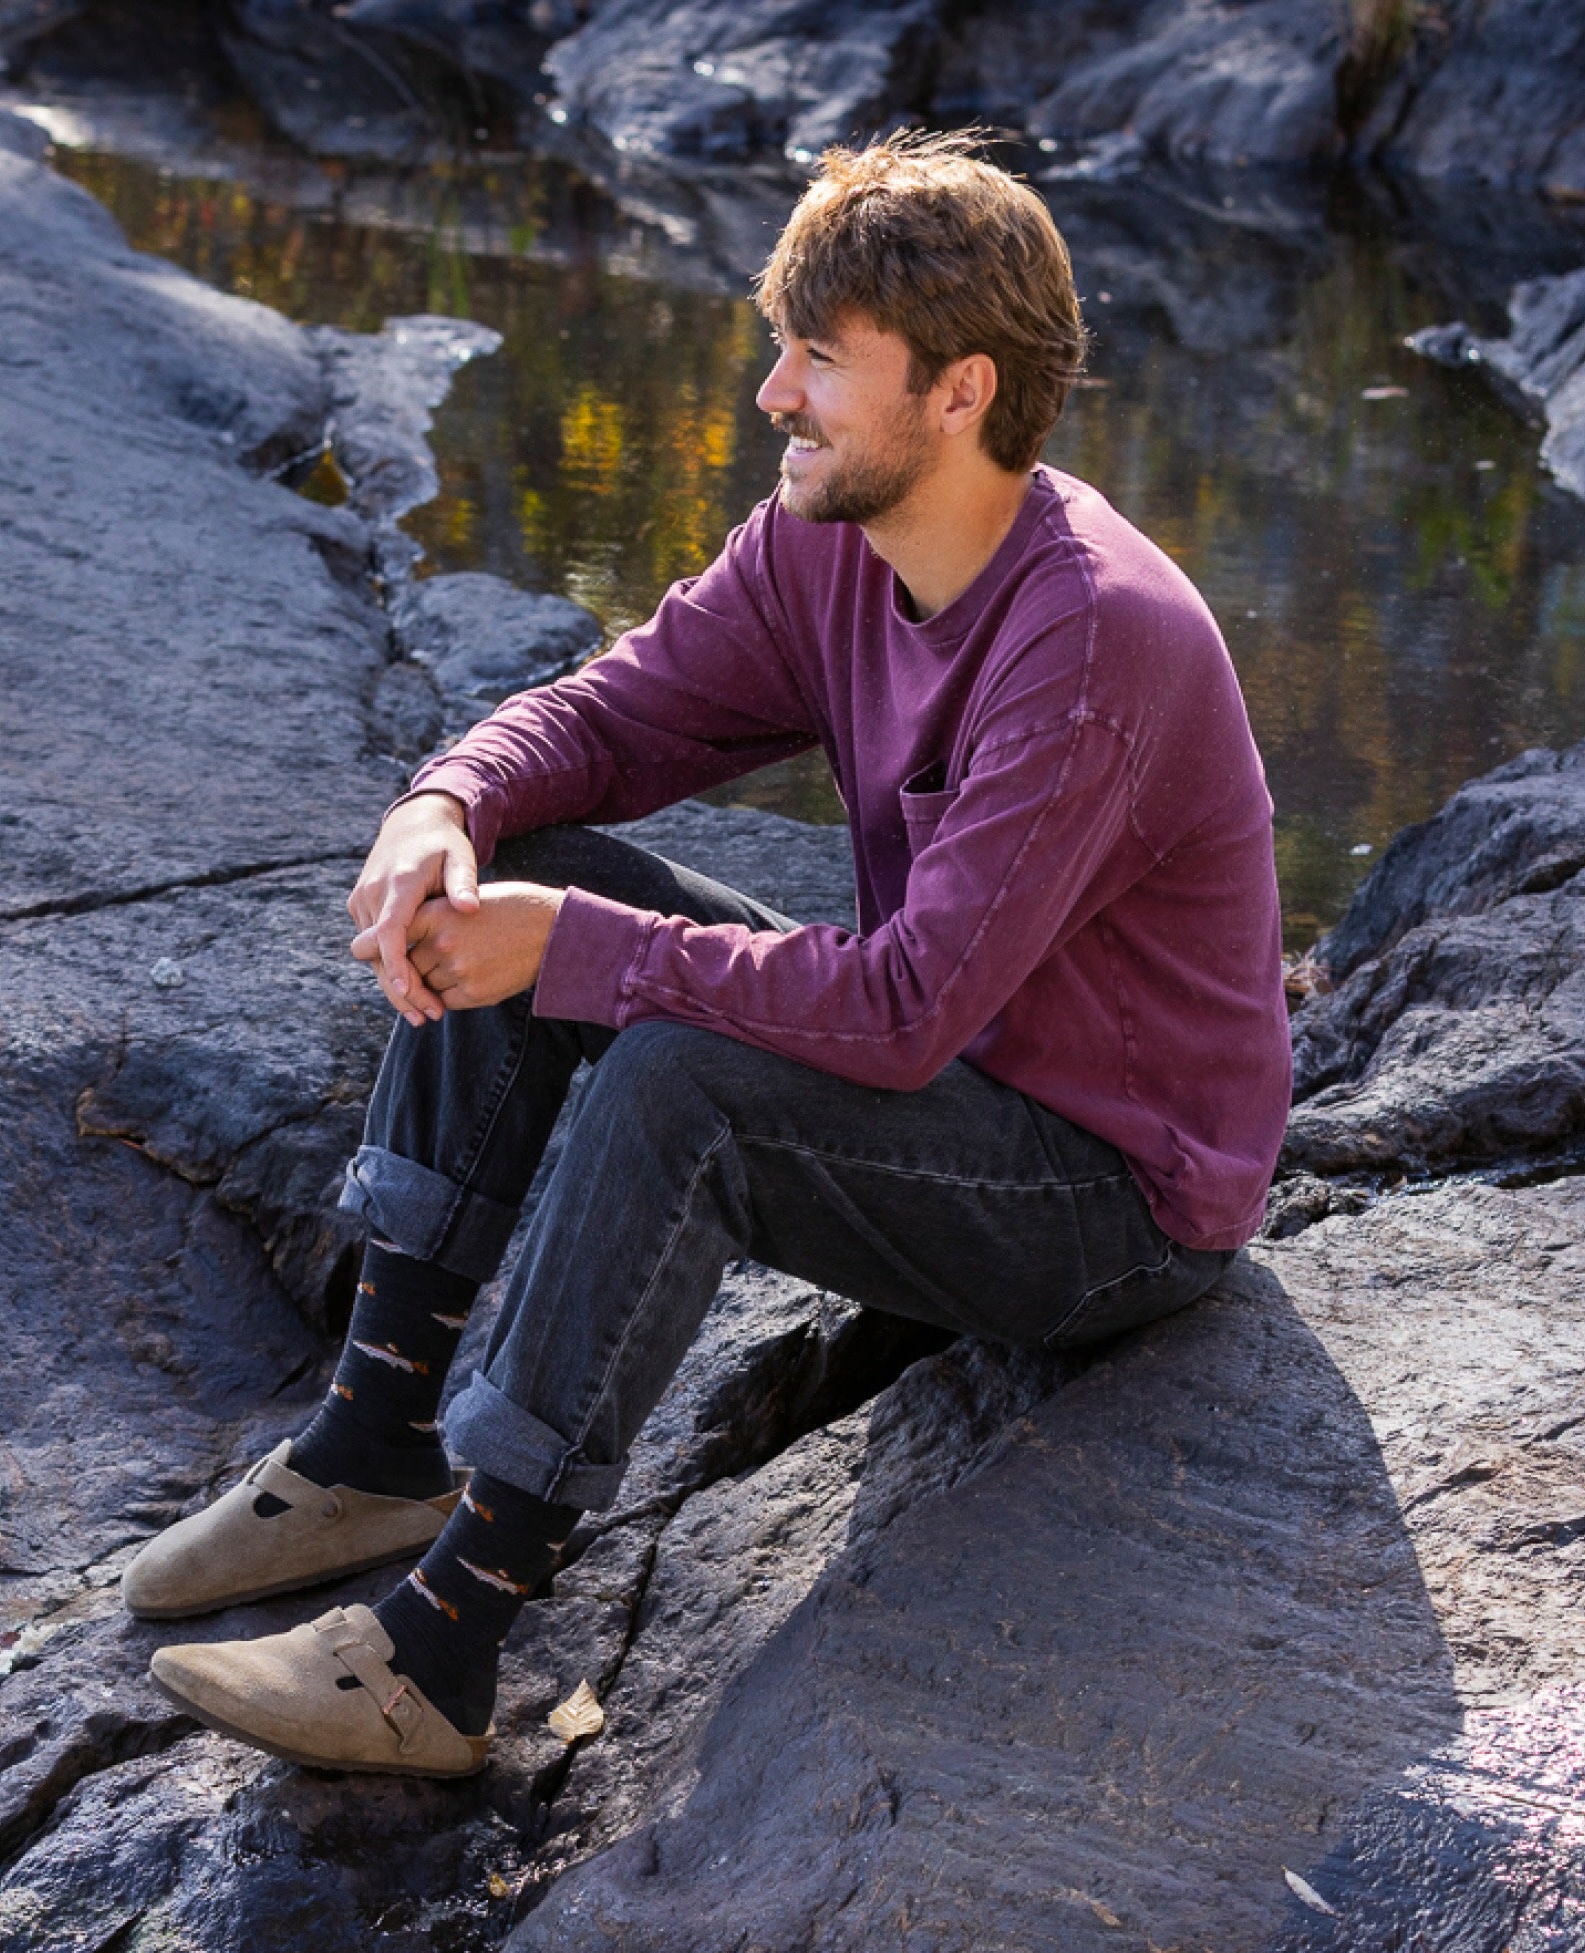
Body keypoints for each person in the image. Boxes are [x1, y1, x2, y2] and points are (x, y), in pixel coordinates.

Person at [128, 130, 1293, 1779]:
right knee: (523, 869)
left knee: (679, 1075)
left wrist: (581, 950)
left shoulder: (1096, 638)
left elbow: (895, 1016)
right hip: (950, 1065)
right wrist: (449, 801)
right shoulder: (829, 537)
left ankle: (442, 1652)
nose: (773, 397)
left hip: (1112, 1199)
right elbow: (611, 718)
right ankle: (377, 1440)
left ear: (961, 393)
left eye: (819, 360)